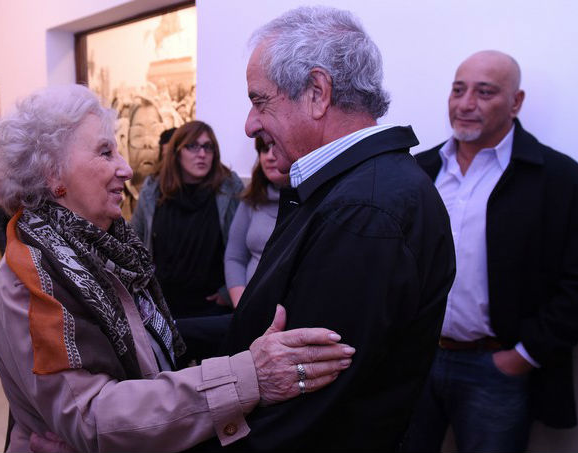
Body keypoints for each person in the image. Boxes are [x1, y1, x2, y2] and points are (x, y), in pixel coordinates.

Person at [0, 84, 356, 453]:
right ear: (52, 174)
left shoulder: (102, 251)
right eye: (106, 152)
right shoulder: (29, 282)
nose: (125, 169)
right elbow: (91, 419)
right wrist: (246, 378)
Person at [202, 7, 457, 452]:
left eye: (260, 100)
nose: (249, 124)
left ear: (318, 92)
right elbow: (267, 327)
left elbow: (305, 419)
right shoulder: (348, 189)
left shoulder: (365, 212)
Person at [403, 50, 578, 453]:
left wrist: (523, 355)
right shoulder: (418, 171)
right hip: (415, 360)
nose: (466, 104)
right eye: (458, 90)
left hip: (494, 369)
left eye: (485, 92)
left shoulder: (560, 181)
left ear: (516, 102)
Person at [132, 121, 244, 319]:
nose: (202, 154)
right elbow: (135, 242)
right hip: (164, 308)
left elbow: (245, 248)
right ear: (177, 151)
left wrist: (229, 292)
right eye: (193, 146)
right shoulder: (153, 190)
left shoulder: (229, 188)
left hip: (212, 310)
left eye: (208, 147)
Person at [224, 137, 289, 306]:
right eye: (263, 149)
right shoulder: (252, 197)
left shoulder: (311, 199)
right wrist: (241, 305)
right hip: (248, 307)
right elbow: (234, 257)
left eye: (276, 148)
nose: (269, 156)